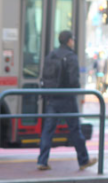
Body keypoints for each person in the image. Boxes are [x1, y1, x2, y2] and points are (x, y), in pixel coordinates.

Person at [37, 30, 97, 171]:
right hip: (67, 98)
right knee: (75, 130)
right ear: (69, 41)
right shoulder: (71, 57)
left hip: (52, 97)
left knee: (48, 130)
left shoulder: (51, 55)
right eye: (73, 40)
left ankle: (42, 161)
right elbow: (73, 80)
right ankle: (83, 160)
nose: (73, 42)